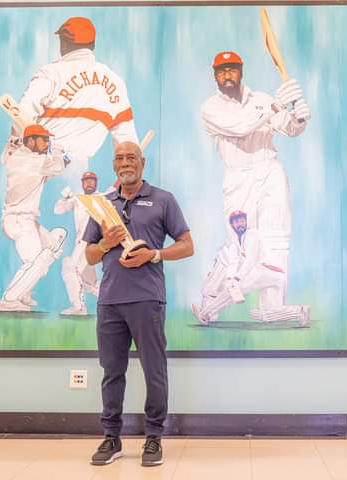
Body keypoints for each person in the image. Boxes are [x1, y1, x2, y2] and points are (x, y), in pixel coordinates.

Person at [84, 141, 193, 467]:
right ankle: (111, 438)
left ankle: (154, 438)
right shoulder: (103, 205)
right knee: (111, 372)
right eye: (119, 158)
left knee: (154, 371)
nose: (125, 163)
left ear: (142, 163)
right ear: (114, 165)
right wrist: (106, 243)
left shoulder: (163, 200)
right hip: (110, 302)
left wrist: (154, 254)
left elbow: (187, 245)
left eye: (131, 157)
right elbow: (90, 255)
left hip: (147, 300)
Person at [200, 50, 310, 316]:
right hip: (238, 176)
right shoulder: (210, 108)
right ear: (215, 76)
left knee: (275, 240)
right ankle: (211, 299)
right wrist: (273, 108)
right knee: (239, 244)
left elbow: (290, 129)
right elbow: (240, 128)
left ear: (241, 71)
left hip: (270, 171)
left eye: (232, 69)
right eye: (222, 71)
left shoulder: (261, 99)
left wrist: (299, 113)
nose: (227, 75)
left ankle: (272, 307)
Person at [15, 17, 139, 177]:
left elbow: (22, 115)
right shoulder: (116, 82)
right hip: (77, 171)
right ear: (93, 45)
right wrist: (130, 172)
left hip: (38, 164)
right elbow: (126, 138)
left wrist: (15, 150)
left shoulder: (51, 74)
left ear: (63, 43)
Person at [191, 211, 309, 327]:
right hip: (271, 276)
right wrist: (231, 277)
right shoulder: (237, 241)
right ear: (231, 225)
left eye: (242, 220)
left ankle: (204, 314)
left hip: (265, 271)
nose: (240, 224)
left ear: (246, 222)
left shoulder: (252, 234)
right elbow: (236, 262)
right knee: (270, 311)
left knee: (232, 290)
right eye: (237, 222)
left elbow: (251, 260)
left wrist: (236, 279)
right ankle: (300, 311)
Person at [0, 124, 68, 312]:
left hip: (26, 220)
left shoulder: (13, 157)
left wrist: (15, 139)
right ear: (30, 141)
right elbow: (62, 163)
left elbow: (7, 152)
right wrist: (60, 149)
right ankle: (9, 300)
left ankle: (25, 291)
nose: (47, 143)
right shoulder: (37, 162)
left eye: (47, 139)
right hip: (19, 220)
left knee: (53, 246)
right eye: (43, 139)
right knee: (35, 261)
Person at [54, 171, 101, 315]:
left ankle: (79, 308)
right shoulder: (78, 199)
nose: (88, 183)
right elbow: (58, 210)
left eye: (91, 180)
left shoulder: (103, 198)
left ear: (96, 182)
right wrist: (66, 196)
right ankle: (115, 299)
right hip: (81, 242)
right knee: (89, 284)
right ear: (82, 183)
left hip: (90, 242)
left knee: (70, 269)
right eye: (86, 181)